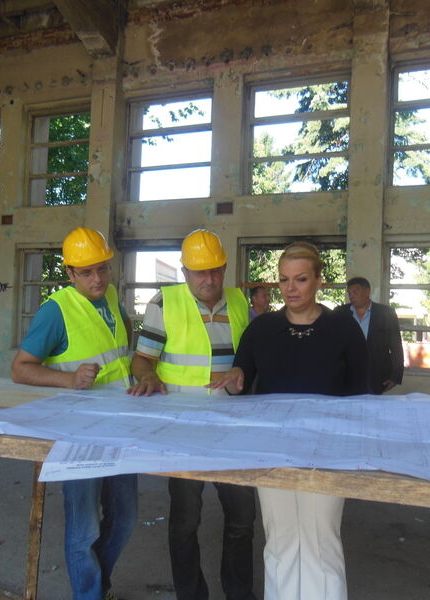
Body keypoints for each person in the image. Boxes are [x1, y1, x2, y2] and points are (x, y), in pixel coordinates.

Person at [210, 241, 368, 600]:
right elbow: (241, 378)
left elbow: (362, 394)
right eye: (284, 280)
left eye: (300, 279)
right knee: (280, 541)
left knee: (321, 541)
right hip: (273, 448)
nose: (290, 288)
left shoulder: (343, 328)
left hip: (327, 450)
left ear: (319, 281)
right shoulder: (262, 329)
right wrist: (234, 380)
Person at [129, 229, 257, 600]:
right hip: (182, 429)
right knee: (186, 520)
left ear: (225, 268)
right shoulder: (164, 302)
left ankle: (239, 594)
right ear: (185, 271)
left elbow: (250, 359)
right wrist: (148, 376)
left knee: (242, 518)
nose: (209, 279)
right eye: (200, 272)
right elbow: (142, 359)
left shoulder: (239, 302)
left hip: (232, 427)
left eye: (215, 270)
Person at [11, 227, 137, 600]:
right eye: (86, 272)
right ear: (69, 273)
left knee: (125, 518)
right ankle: (89, 594)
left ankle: (99, 585)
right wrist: (69, 380)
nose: (97, 279)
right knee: (84, 530)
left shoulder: (111, 297)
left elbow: (124, 344)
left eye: (102, 269)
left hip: (121, 425)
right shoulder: (56, 311)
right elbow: (20, 369)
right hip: (78, 432)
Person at [334, 276, 404, 394]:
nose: (351, 296)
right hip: (347, 375)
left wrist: (395, 376)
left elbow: (396, 346)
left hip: (377, 375)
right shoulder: (340, 313)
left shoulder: (386, 313)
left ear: (367, 291)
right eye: (349, 293)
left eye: (355, 292)